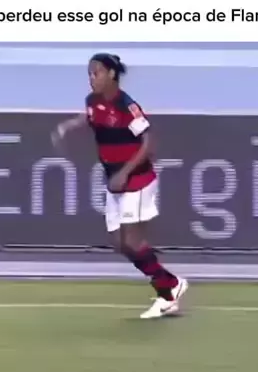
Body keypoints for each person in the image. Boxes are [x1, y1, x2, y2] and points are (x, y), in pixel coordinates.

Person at [52, 53, 188, 319]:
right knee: (119, 243)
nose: (92, 79)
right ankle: (170, 286)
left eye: (97, 73)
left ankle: (169, 289)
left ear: (111, 74)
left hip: (136, 180)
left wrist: (125, 173)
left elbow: (148, 141)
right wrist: (68, 126)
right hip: (113, 181)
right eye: (89, 74)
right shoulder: (92, 102)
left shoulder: (127, 106)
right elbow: (90, 116)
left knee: (132, 241)